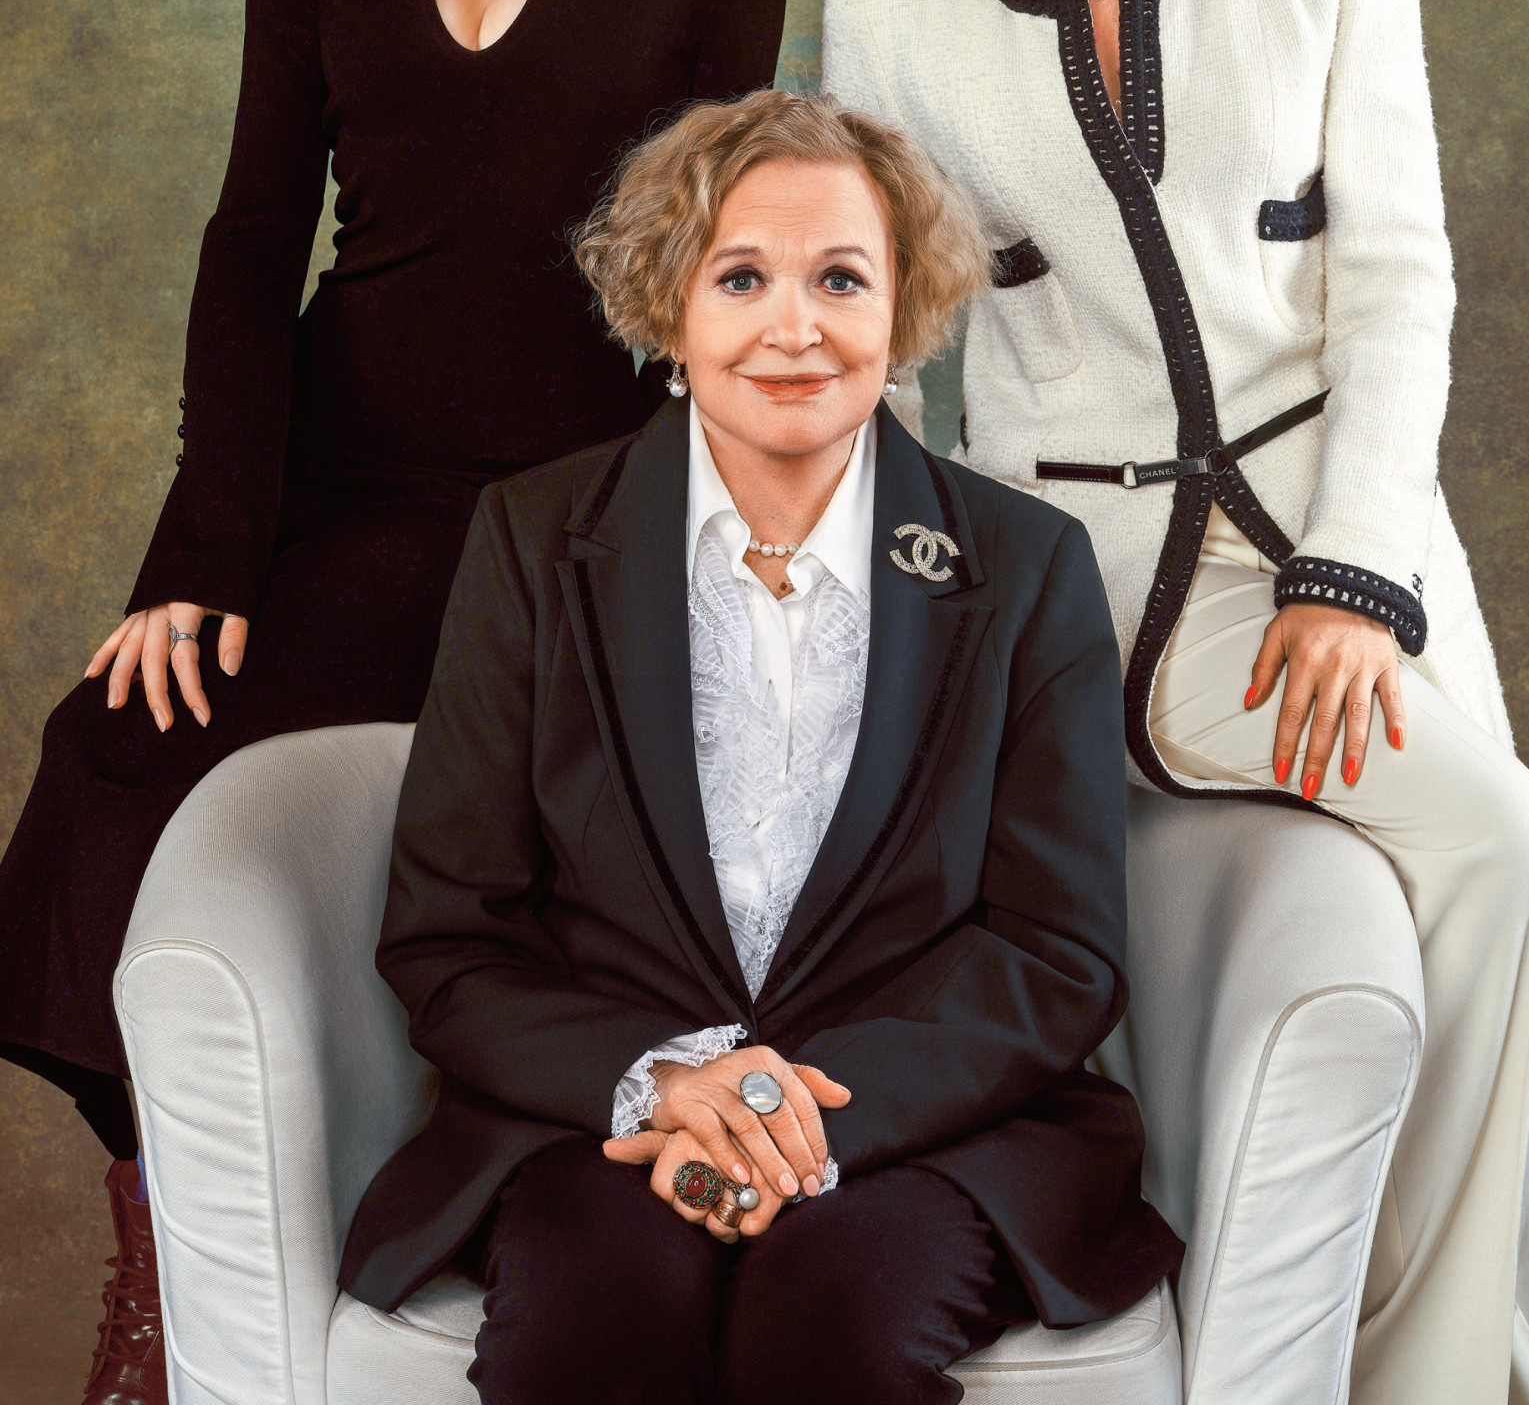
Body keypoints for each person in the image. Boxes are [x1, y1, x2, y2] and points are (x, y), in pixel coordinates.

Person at [0, 0, 790, 1404]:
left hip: (582, 494)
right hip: (341, 485)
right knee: (111, 768)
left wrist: (719, 539)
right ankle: (169, 1271)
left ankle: (468, 1254)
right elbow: (255, 235)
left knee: (513, 851)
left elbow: (720, 244)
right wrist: (200, 560)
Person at [819, 0, 1529, 1405]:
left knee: (1495, 887)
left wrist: (1353, 576)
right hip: (1078, 588)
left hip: (1342, 537)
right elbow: (883, 351)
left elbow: (1396, 278)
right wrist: (895, 622)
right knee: (1492, 845)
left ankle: (1434, 1370)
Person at [337, 89, 1183, 1404]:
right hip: (609, 1123)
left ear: (904, 307)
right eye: (741, 278)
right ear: (669, 306)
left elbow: (1056, 951)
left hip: (927, 1133)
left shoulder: (1027, 569)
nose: (795, 327)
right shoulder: (530, 541)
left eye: (841, 278)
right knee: (594, 1317)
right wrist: (667, 1089)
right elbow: (450, 937)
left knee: (835, 1316)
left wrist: (792, 1119)